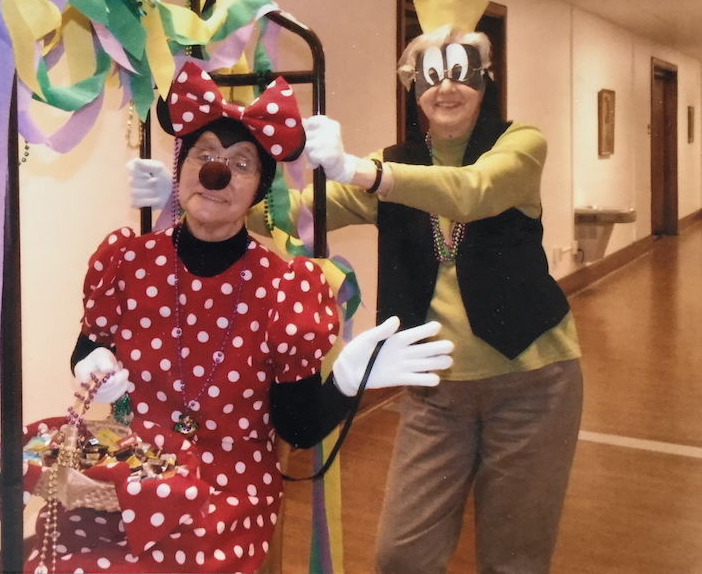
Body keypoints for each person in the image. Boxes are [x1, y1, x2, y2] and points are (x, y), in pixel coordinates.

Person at [129, 0, 582, 574]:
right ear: (413, 84)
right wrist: (188, 193)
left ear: (483, 79)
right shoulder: (389, 160)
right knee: (401, 554)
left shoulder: (520, 145)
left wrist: (363, 173)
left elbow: (473, 190)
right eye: (431, 72)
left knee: (513, 559)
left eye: (462, 71)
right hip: (436, 392)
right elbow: (295, 218)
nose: (447, 85)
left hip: (533, 383)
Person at [38, 61, 453, 574]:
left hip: (224, 492)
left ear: (259, 189)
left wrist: (349, 379)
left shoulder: (283, 289)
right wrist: (90, 366)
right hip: (130, 470)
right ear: (182, 168)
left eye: (239, 163)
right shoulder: (128, 261)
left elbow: (297, 429)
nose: (216, 172)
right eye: (205, 155)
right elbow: (87, 347)